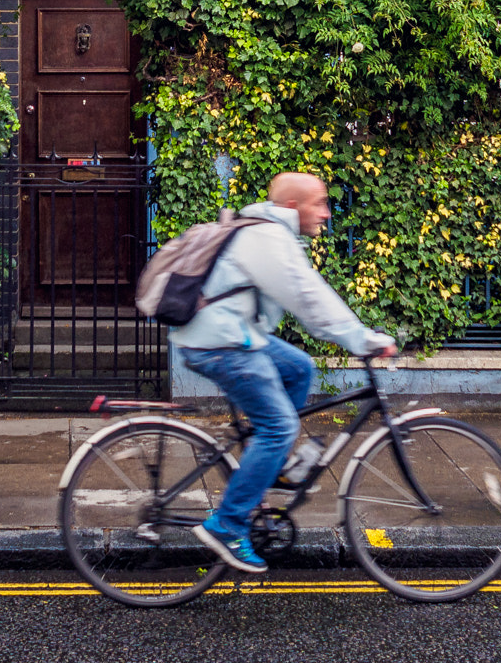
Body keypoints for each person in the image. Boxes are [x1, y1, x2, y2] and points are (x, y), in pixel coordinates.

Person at [170, 170, 397, 574]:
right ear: (293, 206)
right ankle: (227, 523)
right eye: (320, 203)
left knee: (299, 367)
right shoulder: (268, 238)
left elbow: (306, 296)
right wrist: (363, 340)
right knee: (279, 427)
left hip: (234, 333)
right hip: (220, 341)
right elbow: (310, 300)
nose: (326, 213)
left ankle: (265, 465)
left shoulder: (271, 232)